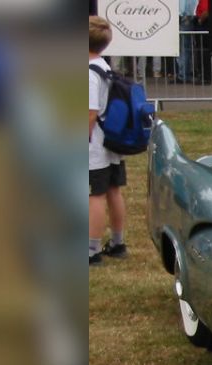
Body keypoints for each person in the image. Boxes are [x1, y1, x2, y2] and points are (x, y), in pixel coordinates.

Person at [89, 16, 128, 265]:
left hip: (95, 146)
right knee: (113, 191)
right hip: (111, 143)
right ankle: (117, 242)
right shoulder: (104, 67)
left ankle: (91, 250)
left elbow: (90, 112)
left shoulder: (89, 73)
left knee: (95, 195)